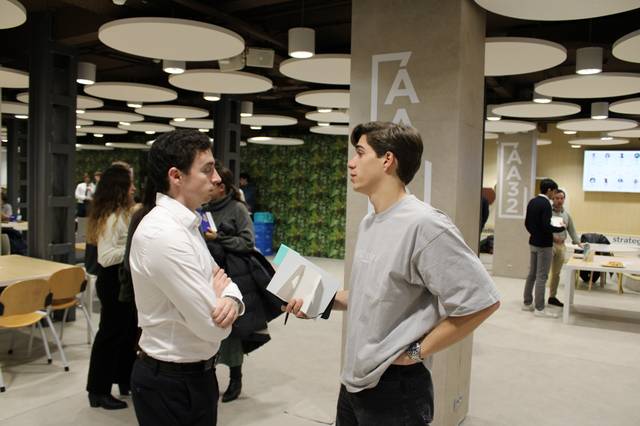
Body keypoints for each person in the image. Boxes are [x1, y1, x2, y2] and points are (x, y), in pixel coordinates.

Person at [285, 121, 500, 425]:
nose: (351, 162)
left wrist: (416, 351)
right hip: (354, 380)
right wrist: (319, 299)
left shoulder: (425, 225)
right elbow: (371, 294)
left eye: (360, 153)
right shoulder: (370, 222)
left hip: (397, 390)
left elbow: (482, 301)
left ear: (387, 160)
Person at [129, 129, 244, 426]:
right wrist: (222, 293)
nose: (217, 178)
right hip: (170, 381)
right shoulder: (164, 234)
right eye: (207, 170)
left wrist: (229, 296)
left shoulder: (186, 225)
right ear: (176, 176)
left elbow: (226, 282)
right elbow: (212, 328)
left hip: (194, 375)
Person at [86, 164, 138, 410]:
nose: (134, 188)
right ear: (120, 188)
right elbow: (105, 257)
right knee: (110, 335)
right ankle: (98, 390)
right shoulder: (111, 218)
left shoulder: (122, 213)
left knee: (127, 333)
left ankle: (123, 380)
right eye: (130, 184)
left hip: (122, 281)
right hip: (112, 281)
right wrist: (134, 250)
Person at [203, 164, 255, 402]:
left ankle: (236, 379)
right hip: (206, 278)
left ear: (221, 187)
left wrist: (219, 238)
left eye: (211, 182)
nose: (206, 186)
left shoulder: (238, 209)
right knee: (208, 328)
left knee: (232, 331)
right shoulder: (201, 210)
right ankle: (208, 377)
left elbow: (247, 243)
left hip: (232, 278)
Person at [523, 178, 566, 317]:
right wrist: (560, 227)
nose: (554, 195)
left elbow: (527, 223)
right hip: (544, 245)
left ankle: (527, 303)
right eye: (554, 192)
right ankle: (540, 308)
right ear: (549, 190)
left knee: (532, 274)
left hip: (533, 242)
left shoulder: (532, 202)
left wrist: (535, 234)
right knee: (542, 276)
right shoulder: (546, 204)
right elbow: (546, 226)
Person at [547, 189, 581, 307]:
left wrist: (578, 243)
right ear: (553, 199)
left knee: (556, 273)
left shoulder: (566, 215)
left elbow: (572, 230)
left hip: (561, 246)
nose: (560, 200)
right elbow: (544, 228)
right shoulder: (547, 212)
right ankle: (538, 297)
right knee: (544, 273)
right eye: (557, 198)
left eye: (562, 198)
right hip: (549, 245)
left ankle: (552, 297)